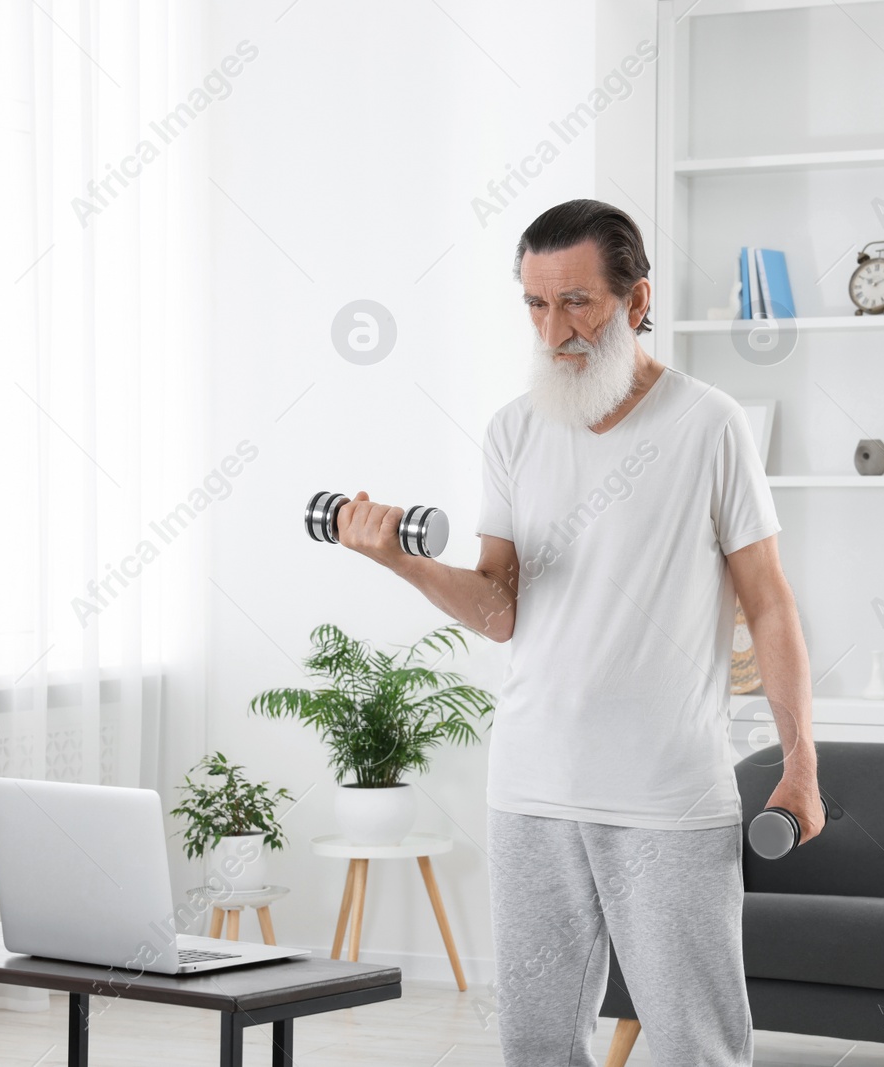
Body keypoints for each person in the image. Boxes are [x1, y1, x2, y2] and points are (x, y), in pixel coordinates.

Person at [332, 198, 820, 1066]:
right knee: (534, 1045)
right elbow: (499, 608)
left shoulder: (708, 424)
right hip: (531, 791)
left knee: (694, 1048)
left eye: (578, 303)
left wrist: (801, 762)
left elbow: (770, 600)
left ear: (635, 303)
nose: (554, 329)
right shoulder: (515, 431)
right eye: (534, 304)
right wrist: (399, 560)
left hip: (667, 799)